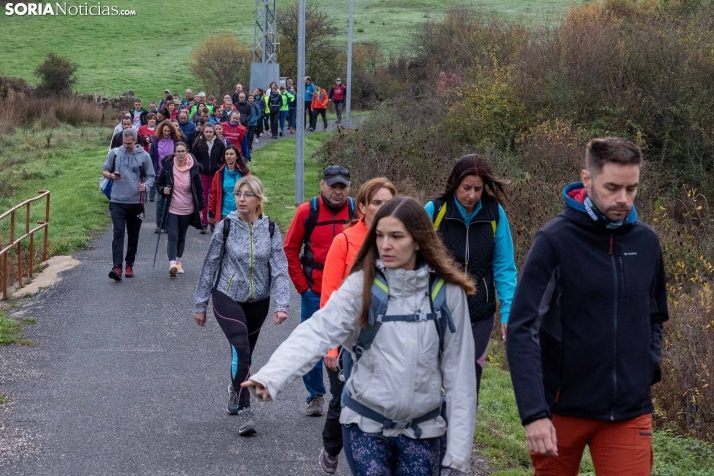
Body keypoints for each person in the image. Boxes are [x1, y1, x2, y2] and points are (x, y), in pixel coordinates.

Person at [243, 196, 477, 475]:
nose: (385, 245)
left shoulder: (447, 294)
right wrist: (271, 376)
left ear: (418, 240)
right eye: (379, 235)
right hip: (366, 427)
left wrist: (458, 456)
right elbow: (317, 332)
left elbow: (460, 375)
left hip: (424, 431)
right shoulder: (362, 286)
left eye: (396, 236)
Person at [506, 137, 669, 475]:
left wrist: (648, 367)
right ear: (587, 179)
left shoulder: (647, 242)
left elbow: (655, 315)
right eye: (612, 187)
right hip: (561, 409)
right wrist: (534, 413)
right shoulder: (554, 241)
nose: (622, 199)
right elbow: (523, 328)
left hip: (628, 411)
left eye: (631, 188)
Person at [194, 175, 290, 436]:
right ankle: (247, 411)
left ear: (259, 199)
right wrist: (200, 304)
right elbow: (210, 265)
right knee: (241, 348)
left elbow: (280, 269)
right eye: (238, 194)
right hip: (227, 293)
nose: (241, 199)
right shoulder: (226, 226)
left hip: (259, 300)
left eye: (247, 195)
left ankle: (234, 389)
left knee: (245, 354)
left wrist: (282, 304)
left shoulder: (270, 229)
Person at [318, 178, 396, 474]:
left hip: (388, 342)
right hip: (349, 342)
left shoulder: (403, 238)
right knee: (344, 403)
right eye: (377, 202)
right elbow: (330, 296)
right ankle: (331, 446)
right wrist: (330, 346)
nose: (384, 208)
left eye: (388, 202)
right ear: (361, 206)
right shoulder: (346, 240)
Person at [424, 154, 517, 400]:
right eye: (467, 188)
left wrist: (509, 311)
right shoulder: (435, 210)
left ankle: (461, 437)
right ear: (455, 183)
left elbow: (505, 267)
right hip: (438, 312)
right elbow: (414, 260)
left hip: (480, 315)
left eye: (478, 189)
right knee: (434, 383)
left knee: (468, 385)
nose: (472, 195)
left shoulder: (494, 214)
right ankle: (435, 437)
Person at [282, 165, 358, 416]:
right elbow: (290, 249)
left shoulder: (357, 211)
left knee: (352, 343)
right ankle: (315, 395)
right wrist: (302, 287)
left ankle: (351, 393)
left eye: (342, 187)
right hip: (314, 289)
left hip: (350, 293)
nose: (337, 191)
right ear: (322, 185)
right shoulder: (307, 211)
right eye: (333, 186)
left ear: (349, 187)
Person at [102, 128, 155, 281]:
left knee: (133, 235)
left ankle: (129, 264)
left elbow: (151, 175)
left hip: (135, 202)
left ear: (136, 141)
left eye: (129, 143)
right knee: (118, 233)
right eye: (124, 143)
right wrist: (111, 176)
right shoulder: (115, 153)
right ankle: (117, 267)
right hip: (117, 201)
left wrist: (146, 186)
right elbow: (105, 170)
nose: (126, 146)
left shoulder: (144, 156)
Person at [155, 142, 204, 277]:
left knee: (181, 237)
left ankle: (178, 261)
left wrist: (200, 209)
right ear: (174, 153)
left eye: (183, 151)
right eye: (178, 151)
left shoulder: (193, 168)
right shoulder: (168, 167)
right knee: (173, 235)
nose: (181, 154)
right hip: (172, 208)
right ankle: (172, 264)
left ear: (187, 152)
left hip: (187, 209)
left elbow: (199, 190)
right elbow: (158, 184)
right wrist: (162, 189)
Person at [192, 123, 226, 233]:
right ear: (203, 132)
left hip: (216, 174)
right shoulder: (198, 143)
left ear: (214, 132)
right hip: (203, 174)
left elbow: (223, 158)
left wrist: (220, 168)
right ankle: (204, 221)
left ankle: (213, 221)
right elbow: (194, 159)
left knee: (214, 198)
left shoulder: (219, 143)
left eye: (210, 132)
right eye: (206, 132)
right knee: (204, 198)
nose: (208, 134)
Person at [208, 144, 250, 224]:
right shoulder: (219, 174)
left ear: (237, 156)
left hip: (241, 212)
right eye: (226, 154)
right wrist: (211, 212)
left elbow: (251, 192)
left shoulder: (244, 173)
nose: (228, 156)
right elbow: (214, 194)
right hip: (225, 212)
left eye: (231, 154)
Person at [149, 120, 181, 226]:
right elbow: (152, 156)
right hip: (159, 173)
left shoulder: (176, 141)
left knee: (172, 200)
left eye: (168, 131)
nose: (166, 133)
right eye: (164, 131)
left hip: (173, 173)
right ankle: (160, 224)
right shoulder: (156, 141)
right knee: (160, 200)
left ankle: (169, 223)